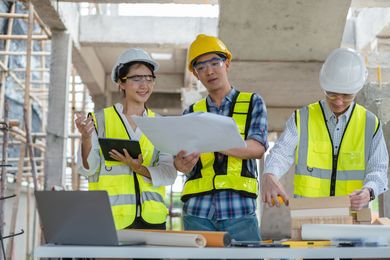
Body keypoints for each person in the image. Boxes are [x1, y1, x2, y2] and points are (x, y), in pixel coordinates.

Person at [262, 48, 388, 210]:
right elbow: (280, 153)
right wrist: (270, 173)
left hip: (353, 217)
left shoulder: (370, 124)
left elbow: (378, 168)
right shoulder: (303, 118)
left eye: (347, 95)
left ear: (357, 90)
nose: (338, 101)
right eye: (332, 94)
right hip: (309, 216)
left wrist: (369, 191)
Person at [174, 34, 268, 242]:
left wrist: (214, 141)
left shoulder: (252, 102)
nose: (209, 71)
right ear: (196, 75)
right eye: (201, 67)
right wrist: (180, 163)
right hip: (197, 212)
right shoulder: (191, 112)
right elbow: (183, 164)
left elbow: (257, 148)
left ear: (227, 64)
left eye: (215, 62)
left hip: (239, 211)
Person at [76, 48, 177, 230]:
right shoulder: (99, 120)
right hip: (110, 219)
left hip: (152, 220)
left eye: (149, 78)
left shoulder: (161, 124)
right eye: (137, 79)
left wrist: (138, 168)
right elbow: (87, 170)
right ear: (121, 83)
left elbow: (168, 174)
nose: (144, 85)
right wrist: (85, 139)